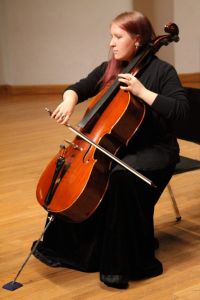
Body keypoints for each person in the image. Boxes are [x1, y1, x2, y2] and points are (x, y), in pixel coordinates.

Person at [32, 11, 189, 289]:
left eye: (118, 37)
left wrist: (143, 93)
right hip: (117, 147)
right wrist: (69, 100)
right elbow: (79, 87)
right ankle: (77, 249)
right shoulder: (112, 68)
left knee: (121, 178)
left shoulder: (162, 72)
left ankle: (122, 263)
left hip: (155, 149)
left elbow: (180, 110)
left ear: (138, 39)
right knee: (83, 178)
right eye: (111, 37)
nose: (112, 43)